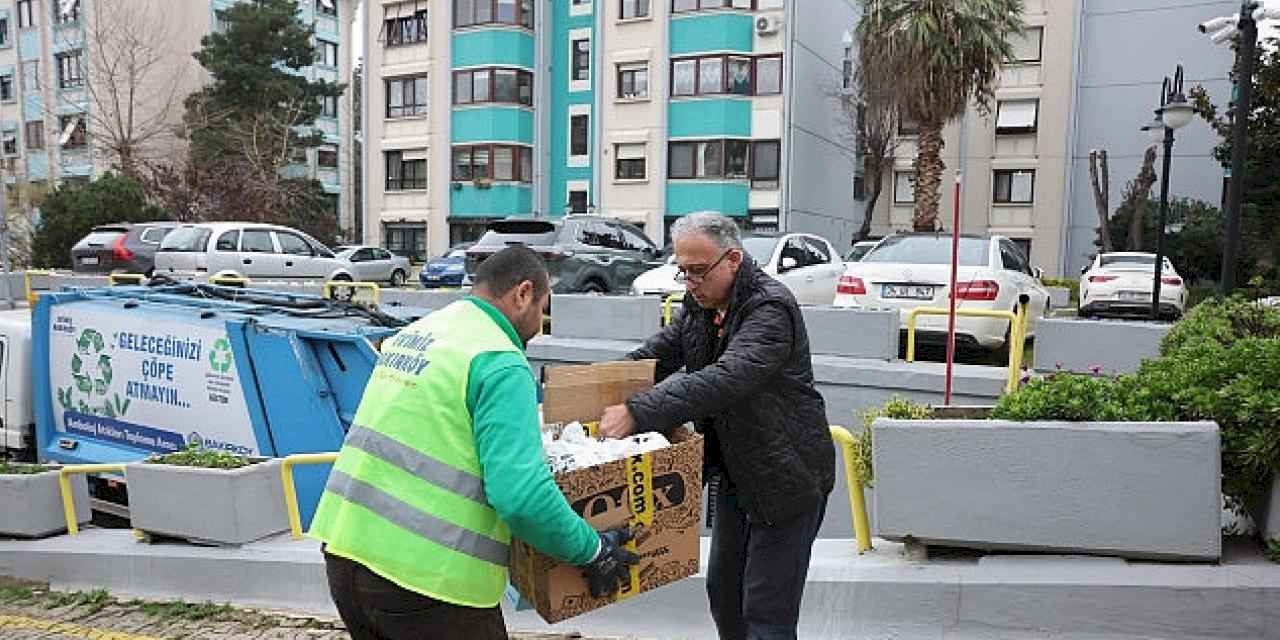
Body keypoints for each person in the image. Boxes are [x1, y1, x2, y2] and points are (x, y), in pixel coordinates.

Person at [310, 246, 639, 640]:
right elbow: (522, 497)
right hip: (429, 583)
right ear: (523, 294)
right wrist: (593, 550)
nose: (541, 321)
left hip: (347, 555)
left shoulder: (420, 333)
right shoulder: (500, 360)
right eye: (542, 307)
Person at [599, 213, 835, 640]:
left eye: (698, 270)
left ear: (733, 259)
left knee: (766, 612)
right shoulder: (701, 305)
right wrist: (598, 387)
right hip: (737, 477)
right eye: (682, 270)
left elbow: (725, 378)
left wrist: (637, 411)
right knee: (725, 594)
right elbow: (658, 356)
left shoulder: (770, 308)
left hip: (788, 479)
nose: (689, 281)